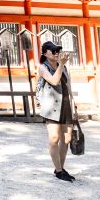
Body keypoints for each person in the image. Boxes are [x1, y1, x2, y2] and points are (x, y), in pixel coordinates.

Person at [37, 40, 76, 182]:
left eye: (57, 50)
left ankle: (60, 168)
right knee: (54, 138)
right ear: (45, 53)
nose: (56, 53)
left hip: (65, 105)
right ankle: (59, 171)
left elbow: (68, 85)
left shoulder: (63, 67)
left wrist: (74, 105)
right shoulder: (43, 67)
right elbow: (53, 81)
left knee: (66, 138)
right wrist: (61, 66)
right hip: (51, 106)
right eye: (53, 51)